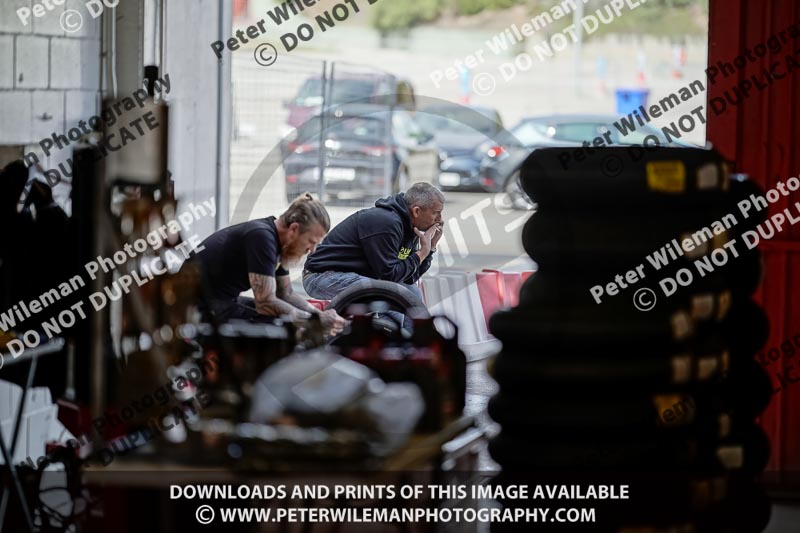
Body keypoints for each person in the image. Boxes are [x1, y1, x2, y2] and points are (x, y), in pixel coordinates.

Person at [194, 193, 346, 334]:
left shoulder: (280, 244)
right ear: (294, 229)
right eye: (311, 242)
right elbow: (265, 303)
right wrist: (314, 321)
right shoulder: (262, 237)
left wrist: (319, 315)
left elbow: (286, 294)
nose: (312, 250)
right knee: (284, 329)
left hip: (217, 302)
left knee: (290, 321)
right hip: (196, 308)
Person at [302, 183, 444, 321]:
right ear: (416, 211)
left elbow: (408, 278)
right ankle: (386, 337)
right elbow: (390, 276)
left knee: (411, 293)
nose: (440, 219)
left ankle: (409, 340)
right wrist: (422, 253)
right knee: (384, 293)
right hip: (319, 277)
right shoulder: (387, 222)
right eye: (436, 213)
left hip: (353, 277)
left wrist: (430, 248)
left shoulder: (410, 227)